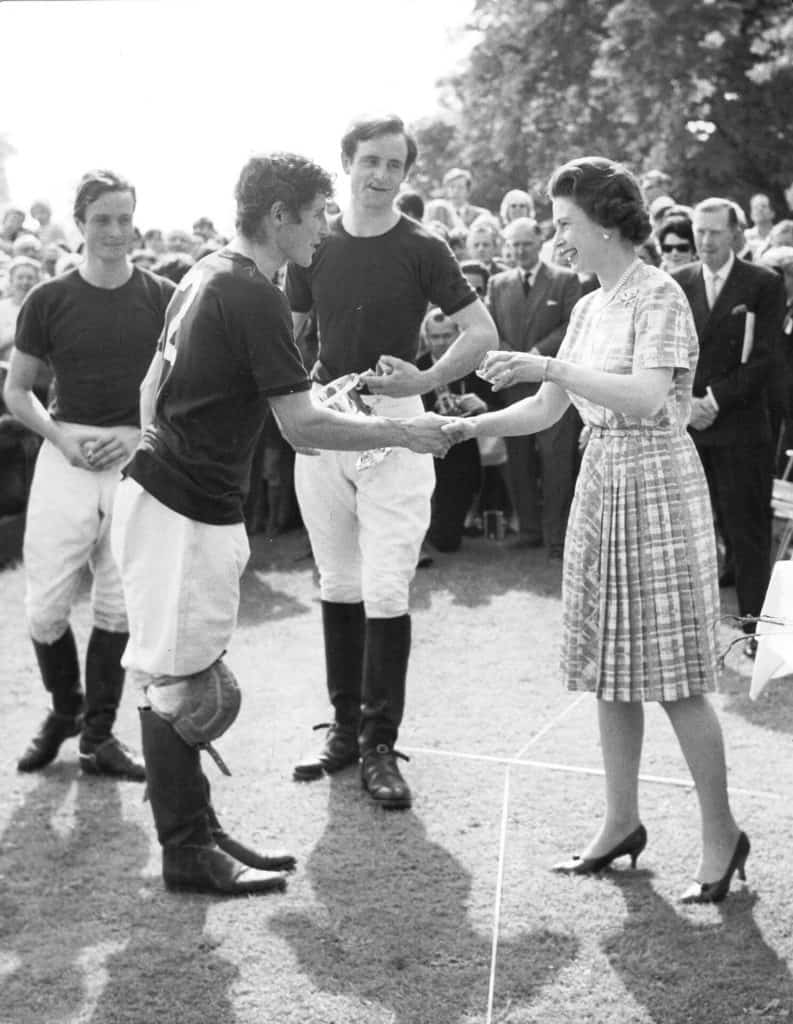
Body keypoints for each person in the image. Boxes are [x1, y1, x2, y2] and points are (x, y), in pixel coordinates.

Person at [110, 152, 452, 895]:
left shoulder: (209, 272)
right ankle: (185, 849)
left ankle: (196, 827)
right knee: (176, 683)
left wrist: (165, 458)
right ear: (279, 216)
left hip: (169, 499)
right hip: (179, 509)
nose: (326, 228)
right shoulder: (254, 292)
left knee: (183, 672)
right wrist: (402, 433)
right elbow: (300, 431)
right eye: (318, 212)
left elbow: (152, 388)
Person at [444, 156, 749, 904]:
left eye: (566, 224)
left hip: (655, 486)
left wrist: (551, 366)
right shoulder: (588, 306)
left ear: (607, 223)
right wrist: (466, 425)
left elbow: (646, 397)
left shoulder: (659, 296)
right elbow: (548, 409)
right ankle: (620, 823)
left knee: (675, 679)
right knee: (608, 670)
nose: (558, 237)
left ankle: (721, 835)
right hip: (600, 482)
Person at [287, 115, 497, 809]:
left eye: (394, 165)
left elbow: (480, 333)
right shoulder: (312, 243)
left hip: (398, 425)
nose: (380, 175)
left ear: (407, 175)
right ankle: (343, 731)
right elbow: (287, 335)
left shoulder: (422, 244)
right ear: (345, 162)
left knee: (385, 587)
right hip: (326, 419)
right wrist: (299, 396)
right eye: (369, 161)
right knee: (337, 580)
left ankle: (380, 745)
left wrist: (420, 380)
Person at [4, 169, 175, 780]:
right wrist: (63, 438)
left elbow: (180, 388)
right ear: (79, 223)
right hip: (66, 461)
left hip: (135, 465)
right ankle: (64, 710)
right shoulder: (48, 299)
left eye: (124, 219)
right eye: (101, 219)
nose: (113, 231)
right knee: (45, 606)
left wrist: (137, 435)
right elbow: (17, 391)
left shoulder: (161, 296)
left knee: (118, 606)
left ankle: (98, 736)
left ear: (136, 223)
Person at [672, 198, 786, 658]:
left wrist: (713, 400)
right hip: (690, 429)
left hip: (741, 429)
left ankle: (757, 632)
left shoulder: (763, 283)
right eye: (699, 231)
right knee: (690, 534)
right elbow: (670, 351)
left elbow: (766, 359)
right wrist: (686, 404)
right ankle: (688, 633)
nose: (705, 240)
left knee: (748, 533)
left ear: (736, 234)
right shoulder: (677, 283)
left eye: (715, 231)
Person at [487, 216, 582, 556]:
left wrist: (536, 354)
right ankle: (529, 528)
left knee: (557, 463)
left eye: (526, 243)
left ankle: (557, 536)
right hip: (512, 385)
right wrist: (512, 360)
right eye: (513, 245)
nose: (520, 251)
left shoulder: (566, 280)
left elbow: (573, 325)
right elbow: (492, 329)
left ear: (539, 242)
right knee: (519, 461)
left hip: (553, 385)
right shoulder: (498, 283)